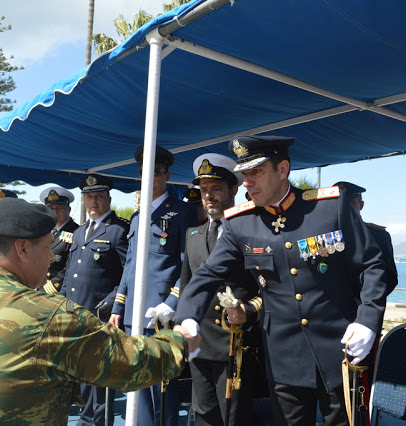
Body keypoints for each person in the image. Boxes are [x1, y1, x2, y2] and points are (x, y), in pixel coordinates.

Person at [0, 197, 194, 424]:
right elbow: (133, 364)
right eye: (48, 247)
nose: (52, 257)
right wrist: (181, 340)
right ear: (22, 249)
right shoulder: (48, 317)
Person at [175, 135, 388, 426]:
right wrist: (187, 316)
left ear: (283, 169)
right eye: (244, 174)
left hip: (339, 351)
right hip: (283, 359)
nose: (247, 182)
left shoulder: (329, 207)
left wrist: (367, 320)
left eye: (256, 172)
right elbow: (208, 274)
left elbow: (372, 265)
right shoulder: (240, 224)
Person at [109, 145, 197, 426]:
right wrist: (117, 307)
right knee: (136, 388)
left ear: (167, 175)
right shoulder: (136, 217)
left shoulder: (183, 213)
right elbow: (130, 266)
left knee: (161, 394)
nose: (150, 178)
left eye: (156, 172)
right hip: (133, 315)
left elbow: (188, 268)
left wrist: (171, 305)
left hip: (159, 316)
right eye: (145, 172)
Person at [179, 153, 262, 426]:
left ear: (234, 190)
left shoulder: (252, 231)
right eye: (203, 190)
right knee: (204, 416)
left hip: (234, 345)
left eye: (216, 189)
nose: (208, 196)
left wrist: (249, 310)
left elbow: (268, 287)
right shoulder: (193, 235)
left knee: (233, 418)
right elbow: (188, 287)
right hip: (199, 344)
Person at [60, 174, 129, 426]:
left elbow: (128, 273)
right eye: (89, 197)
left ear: (109, 198)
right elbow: (69, 273)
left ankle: (95, 422)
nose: (93, 201)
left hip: (99, 315)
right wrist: (62, 303)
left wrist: (112, 301)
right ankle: (85, 418)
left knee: (97, 376)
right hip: (75, 313)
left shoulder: (119, 230)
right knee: (80, 374)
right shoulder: (78, 233)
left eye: (99, 196)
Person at [334, 181, 398, 295]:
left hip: (368, 306)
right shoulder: (326, 237)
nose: (343, 208)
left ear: (361, 205)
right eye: (338, 204)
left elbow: (390, 277)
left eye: (349, 202)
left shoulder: (378, 236)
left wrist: (367, 302)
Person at [39, 186, 79, 294]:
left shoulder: (77, 232)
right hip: (38, 287)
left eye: (60, 208)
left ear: (69, 209)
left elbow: (71, 267)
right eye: (51, 208)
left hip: (58, 291)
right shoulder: (42, 231)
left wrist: (48, 288)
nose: (55, 212)